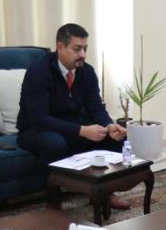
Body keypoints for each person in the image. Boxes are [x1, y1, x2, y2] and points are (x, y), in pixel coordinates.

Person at [17, 23, 131, 211]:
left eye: (85, 48)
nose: (83, 54)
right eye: (77, 49)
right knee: (54, 143)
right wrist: (82, 131)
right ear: (60, 47)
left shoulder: (87, 72)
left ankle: (104, 193)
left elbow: (96, 106)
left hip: (73, 128)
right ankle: (53, 202)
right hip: (35, 130)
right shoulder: (38, 72)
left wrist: (109, 125)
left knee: (115, 137)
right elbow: (39, 118)